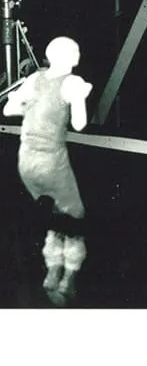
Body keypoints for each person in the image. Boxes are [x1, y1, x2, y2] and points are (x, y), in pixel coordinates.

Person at [3, 36, 93, 305]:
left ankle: (52, 271)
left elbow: (8, 109)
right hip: (52, 161)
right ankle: (68, 277)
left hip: (26, 161)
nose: (79, 55)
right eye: (76, 50)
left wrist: (30, 106)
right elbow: (79, 124)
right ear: (67, 56)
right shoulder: (73, 82)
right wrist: (81, 97)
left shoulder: (33, 79)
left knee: (56, 213)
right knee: (74, 217)